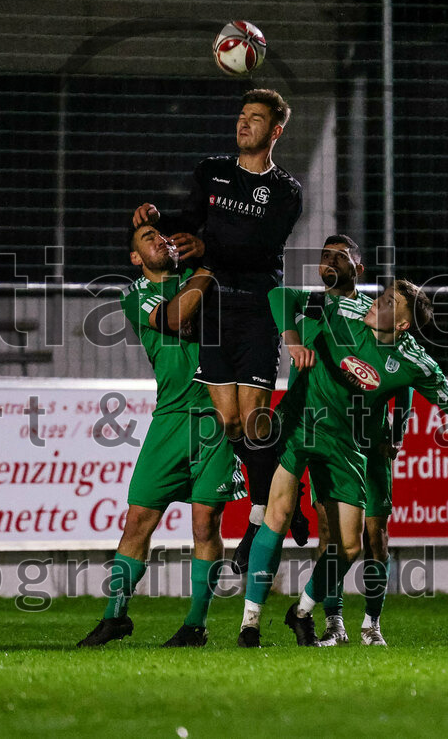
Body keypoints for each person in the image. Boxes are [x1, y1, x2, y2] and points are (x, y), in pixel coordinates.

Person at [238, 279, 448, 647]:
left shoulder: (413, 362)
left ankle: (302, 612)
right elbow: (279, 294)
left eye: (389, 302)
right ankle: (250, 624)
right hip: (304, 427)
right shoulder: (345, 309)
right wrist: (292, 338)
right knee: (277, 513)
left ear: (403, 325)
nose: (377, 302)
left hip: (347, 445)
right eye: (382, 295)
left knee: (350, 547)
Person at [132, 88, 307, 574]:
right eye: (241, 115)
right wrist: (158, 218)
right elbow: (191, 220)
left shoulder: (286, 191)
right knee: (229, 423)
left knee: (253, 421)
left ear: (275, 132)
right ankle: (274, 486)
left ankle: (262, 515)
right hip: (213, 309)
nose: (243, 123)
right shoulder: (211, 170)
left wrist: (202, 244)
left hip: (253, 310)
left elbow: (258, 248)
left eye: (255, 118)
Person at [78, 223, 245, 647]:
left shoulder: (202, 277)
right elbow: (177, 318)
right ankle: (115, 615)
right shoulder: (135, 295)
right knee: (138, 519)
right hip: (170, 417)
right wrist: (209, 269)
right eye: (148, 239)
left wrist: (209, 263)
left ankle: (195, 625)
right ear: (136, 259)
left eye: (165, 236)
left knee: (205, 522)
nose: (161, 240)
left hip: (217, 413)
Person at [277, 235, 411, 646]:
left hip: (370, 438)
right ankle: (334, 622)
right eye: (325, 256)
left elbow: (399, 367)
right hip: (328, 432)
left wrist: (398, 429)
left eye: (341, 255)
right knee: (330, 534)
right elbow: (278, 298)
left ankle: (372, 623)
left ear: (359, 267)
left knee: (376, 534)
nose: (331, 261)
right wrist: (292, 341)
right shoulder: (314, 305)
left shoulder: (372, 312)